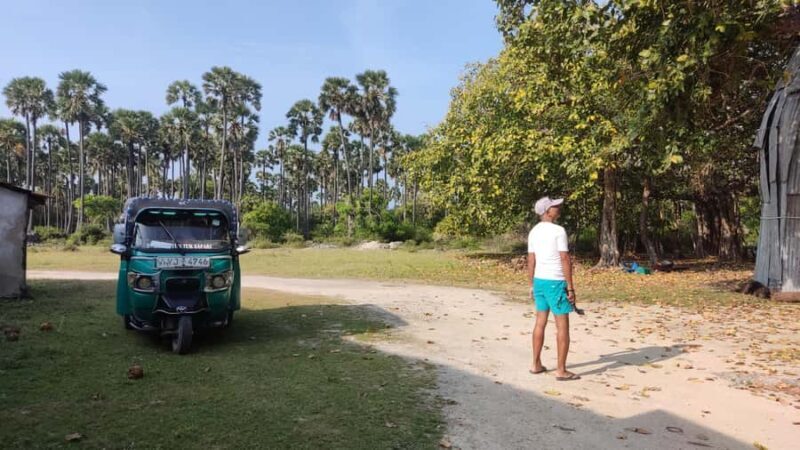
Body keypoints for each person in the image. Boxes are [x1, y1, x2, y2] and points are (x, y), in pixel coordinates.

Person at [527, 196, 579, 381]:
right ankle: (561, 370)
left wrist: (531, 284)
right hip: (555, 282)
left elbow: (531, 259)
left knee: (540, 322)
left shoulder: (533, 232)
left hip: (539, 281)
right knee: (562, 325)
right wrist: (570, 288)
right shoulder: (558, 231)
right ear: (547, 212)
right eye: (554, 206)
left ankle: (535, 363)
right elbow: (565, 258)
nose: (558, 207)